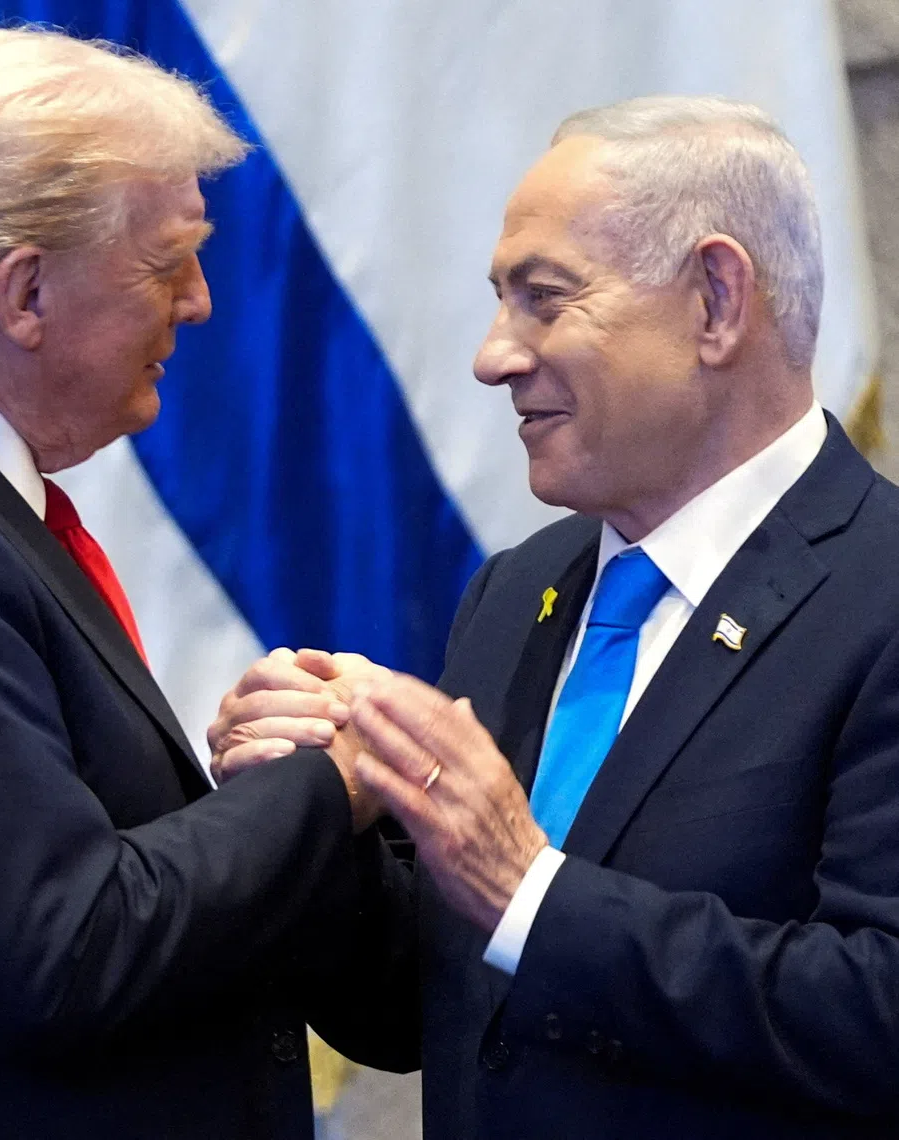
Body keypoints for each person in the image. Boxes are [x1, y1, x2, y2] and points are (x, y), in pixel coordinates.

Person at [0, 26, 414, 1140]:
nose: (199, 301)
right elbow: (59, 952)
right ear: (24, 292)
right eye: (167, 261)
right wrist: (323, 779)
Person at [209, 96, 899, 1137]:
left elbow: (878, 1014)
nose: (494, 356)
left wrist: (529, 892)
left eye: (544, 299)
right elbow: (424, 1013)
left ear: (717, 301)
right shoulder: (519, 591)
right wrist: (316, 820)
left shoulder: (879, 591)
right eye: (501, 303)